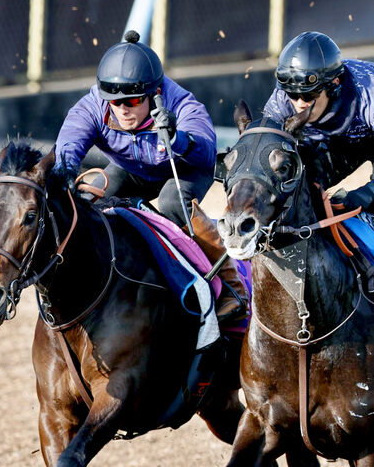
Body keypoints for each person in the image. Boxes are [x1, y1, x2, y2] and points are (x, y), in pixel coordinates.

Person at [54, 30, 245, 321]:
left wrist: (178, 139)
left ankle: (229, 286)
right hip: (130, 168)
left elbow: (206, 151)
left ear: (155, 93)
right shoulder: (94, 106)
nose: (121, 109)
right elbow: (68, 145)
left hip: (184, 168)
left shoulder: (182, 104)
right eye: (114, 103)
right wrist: (64, 173)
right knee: (89, 203)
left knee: (170, 203)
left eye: (131, 102)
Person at [263, 31, 374, 250]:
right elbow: (266, 150)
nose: (299, 103)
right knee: (301, 183)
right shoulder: (282, 100)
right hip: (331, 142)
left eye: (309, 95)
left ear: (333, 84)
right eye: (292, 94)